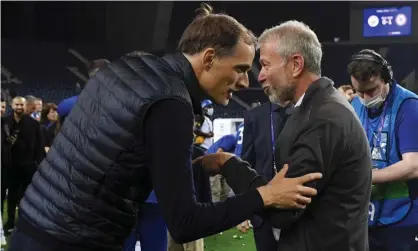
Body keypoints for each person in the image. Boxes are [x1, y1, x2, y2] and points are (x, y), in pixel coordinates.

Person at [8, 6, 321, 251]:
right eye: (240, 69)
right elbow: (186, 222)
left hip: (35, 225)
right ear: (209, 58)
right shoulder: (172, 103)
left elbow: (120, 149)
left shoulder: (128, 68)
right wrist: (264, 195)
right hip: (74, 241)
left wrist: (193, 159)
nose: (245, 82)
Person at [197, 21, 372, 251]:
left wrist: (228, 164)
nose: (260, 77)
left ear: (296, 64)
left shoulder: (321, 119)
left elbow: (282, 211)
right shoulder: (320, 107)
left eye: (266, 65)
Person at [348, 49, 418, 251]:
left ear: (386, 78)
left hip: (402, 218)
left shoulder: (408, 106)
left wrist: (365, 176)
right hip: (365, 216)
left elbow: (413, 166)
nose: (365, 98)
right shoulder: (355, 104)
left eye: (372, 91)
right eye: (359, 91)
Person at [238, 78, 291, 251]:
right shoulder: (255, 116)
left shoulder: (305, 112)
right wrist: (244, 208)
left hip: (298, 210)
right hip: (264, 210)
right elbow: (247, 164)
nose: (262, 77)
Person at [3, 96, 45, 234]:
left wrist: (41, 164)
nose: (19, 107)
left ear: (26, 106)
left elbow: (39, 146)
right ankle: (9, 222)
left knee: (28, 196)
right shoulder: (4, 122)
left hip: (28, 166)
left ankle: (25, 223)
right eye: (17, 105)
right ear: (12, 105)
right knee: (12, 197)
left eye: (22, 105)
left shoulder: (33, 124)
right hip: (10, 166)